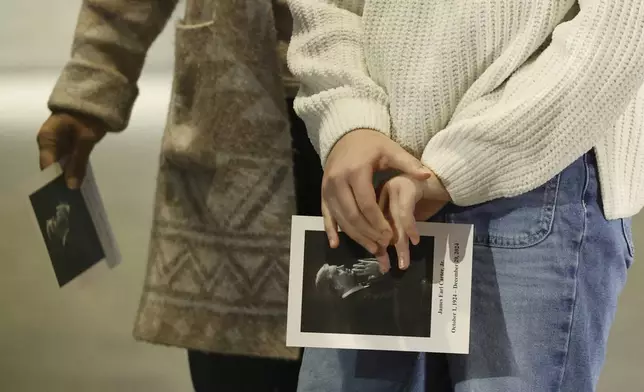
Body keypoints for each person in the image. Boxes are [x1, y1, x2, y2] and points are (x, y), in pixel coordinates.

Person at [287, 0, 643, 391]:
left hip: (535, 173)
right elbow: (328, 9)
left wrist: (459, 163)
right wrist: (349, 121)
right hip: (378, 172)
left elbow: (619, 28)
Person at [35, 1, 323, 391]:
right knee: (240, 365)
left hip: (384, 113)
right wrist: (93, 80)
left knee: (382, 351)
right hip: (233, 106)